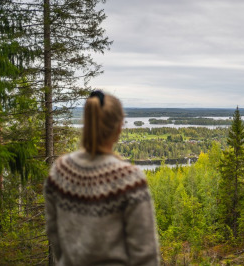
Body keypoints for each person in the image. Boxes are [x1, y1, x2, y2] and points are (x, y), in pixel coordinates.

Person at [44, 91, 159, 266]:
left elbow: (54, 234)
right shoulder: (129, 179)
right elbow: (145, 254)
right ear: (119, 127)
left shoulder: (60, 171)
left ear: (88, 123)